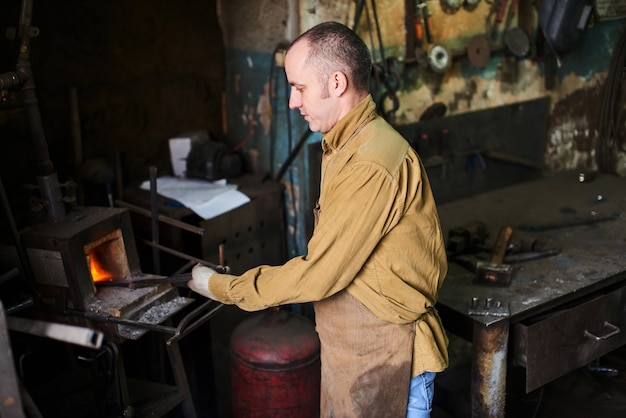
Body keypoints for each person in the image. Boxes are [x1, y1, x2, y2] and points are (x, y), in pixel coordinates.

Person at [189, 21, 449, 418]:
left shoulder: (369, 162)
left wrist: (228, 288)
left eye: (299, 87)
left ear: (338, 83)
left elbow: (320, 274)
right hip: (356, 358)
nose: (293, 102)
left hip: (390, 362)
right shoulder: (344, 145)